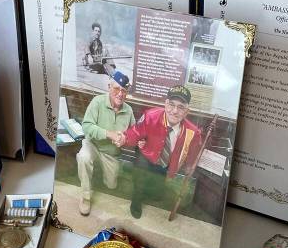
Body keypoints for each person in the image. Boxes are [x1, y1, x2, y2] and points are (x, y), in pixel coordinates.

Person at [119, 85, 202, 219]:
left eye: (181, 107)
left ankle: (144, 184)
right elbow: (135, 132)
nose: (174, 111)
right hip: (146, 154)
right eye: (171, 104)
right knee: (140, 180)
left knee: (157, 193)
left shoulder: (193, 132)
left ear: (187, 111)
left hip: (166, 162)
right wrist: (124, 138)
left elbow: (193, 152)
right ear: (165, 104)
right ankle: (136, 200)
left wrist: (189, 166)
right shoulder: (150, 116)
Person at [75, 71, 134, 216]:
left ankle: (98, 173)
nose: (120, 94)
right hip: (93, 145)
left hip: (111, 153)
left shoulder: (129, 110)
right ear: (109, 87)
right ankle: (86, 196)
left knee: (111, 185)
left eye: (124, 90)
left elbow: (133, 134)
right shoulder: (98, 102)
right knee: (83, 157)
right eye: (116, 89)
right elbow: (86, 126)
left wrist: (125, 139)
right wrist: (109, 134)